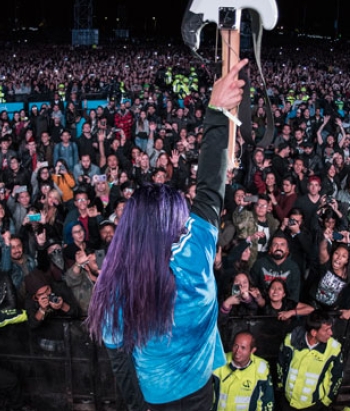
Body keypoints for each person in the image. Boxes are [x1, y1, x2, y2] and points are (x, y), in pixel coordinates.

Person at [85, 59, 248, 409]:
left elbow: (120, 361)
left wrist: (137, 406)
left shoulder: (115, 284)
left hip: (153, 399)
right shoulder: (193, 259)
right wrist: (217, 110)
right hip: (201, 391)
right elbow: (210, 189)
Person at [276, 311, 344, 410]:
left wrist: (326, 401)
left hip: (314, 406)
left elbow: (337, 377)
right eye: (326, 330)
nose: (331, 333)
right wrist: (281, 387)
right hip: (287, 402)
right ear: (313, 332)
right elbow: (280, 364)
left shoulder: (334, 349)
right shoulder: (290, 340)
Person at [212, 331, 275, 411]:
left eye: (243, 348)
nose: (237, 351)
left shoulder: (261, 369)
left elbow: (267, 401)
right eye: (236, 346)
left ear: (252, 351)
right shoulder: (219, 362)